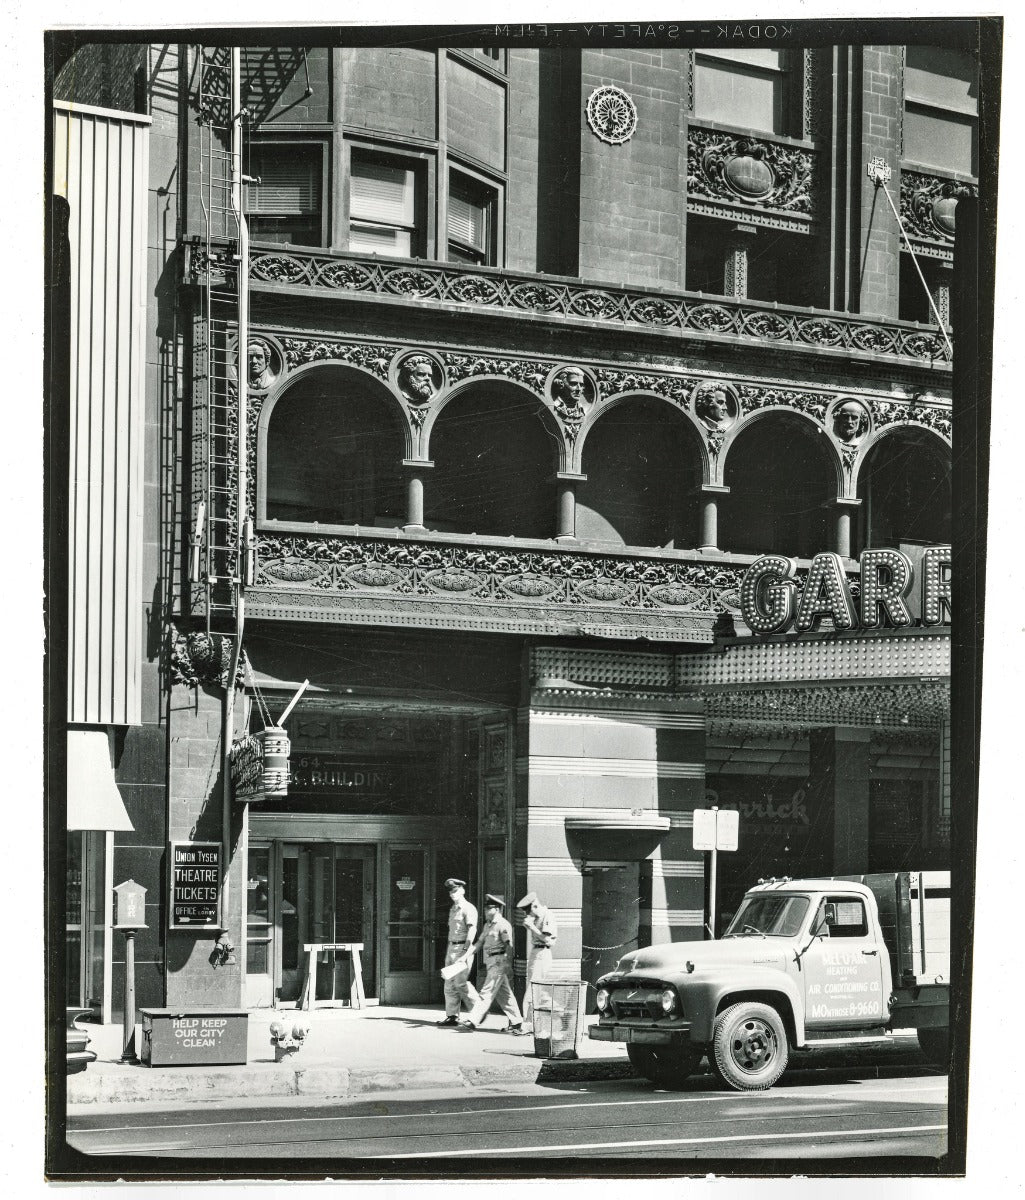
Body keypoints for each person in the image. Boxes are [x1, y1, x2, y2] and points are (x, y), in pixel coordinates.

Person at [458, 895, 524, 1033]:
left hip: (499, 962)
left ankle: (473, 1020)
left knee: (486, 992)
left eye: (489, 908)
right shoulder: (487, 925)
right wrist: (465, 956)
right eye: (485, 907)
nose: (486, 910)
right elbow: (479, 943)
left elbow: (509, 946)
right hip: (490, 962)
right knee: (504, 995)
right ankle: (517, 1022)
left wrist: (508, 964)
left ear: (498, 909)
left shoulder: (503, 924)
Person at [437, 878, 480, 1025]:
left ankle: (478, 1012)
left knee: (461, 983)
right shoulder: (453, 909)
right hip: (451, 948)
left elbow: (472, 929)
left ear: (462, 890)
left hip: (462, 948)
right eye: (450, 891)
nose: (452, 894)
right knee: (449, 983)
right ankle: (452, 1016)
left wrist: (465, 950)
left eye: (455, 891)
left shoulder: (468, 908)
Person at [516, 891, 557, 1030]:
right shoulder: (538, 916)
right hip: (537, 952)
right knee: (540, 991)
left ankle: (527, 1024)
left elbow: (548, 941)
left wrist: (532, 927)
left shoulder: (546, 915)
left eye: (528, 911)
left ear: (534, 905)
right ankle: (559, 1015)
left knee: (532, 990)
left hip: (542, 952)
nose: (528, 915)